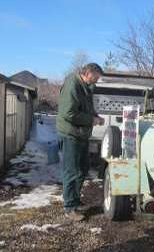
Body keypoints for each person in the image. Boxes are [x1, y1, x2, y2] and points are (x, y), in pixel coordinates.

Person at [57, 63, 104, 221]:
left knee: (83, 168)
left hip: (81, 134)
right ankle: (69, 207)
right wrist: (91, 120)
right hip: (71, 134)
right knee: (71, 171)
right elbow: (68, 113)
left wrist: (95, 116)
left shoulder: (85, 86)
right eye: (96, 77)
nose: (97, 81)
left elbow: (85, 108)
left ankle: (75, 201)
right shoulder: (73, 85)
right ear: (89, 73)